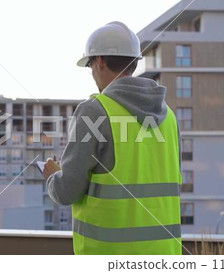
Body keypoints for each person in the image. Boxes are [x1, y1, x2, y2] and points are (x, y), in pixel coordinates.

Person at [42, 21, 182, 255]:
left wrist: (53, 176)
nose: (92, 73)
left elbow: (67, 191)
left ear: (99, 61)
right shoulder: (169, 117)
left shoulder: (94, 111)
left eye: (89, 64)